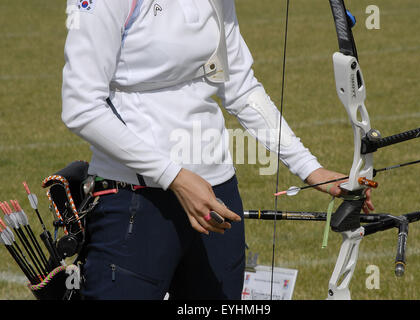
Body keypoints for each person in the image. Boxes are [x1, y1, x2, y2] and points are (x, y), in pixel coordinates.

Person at [61, 0, 373, 300]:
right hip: (135, 202)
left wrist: (310, 169)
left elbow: (240, 86)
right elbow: (81, 106)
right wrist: (175, 177)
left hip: (218, 199)